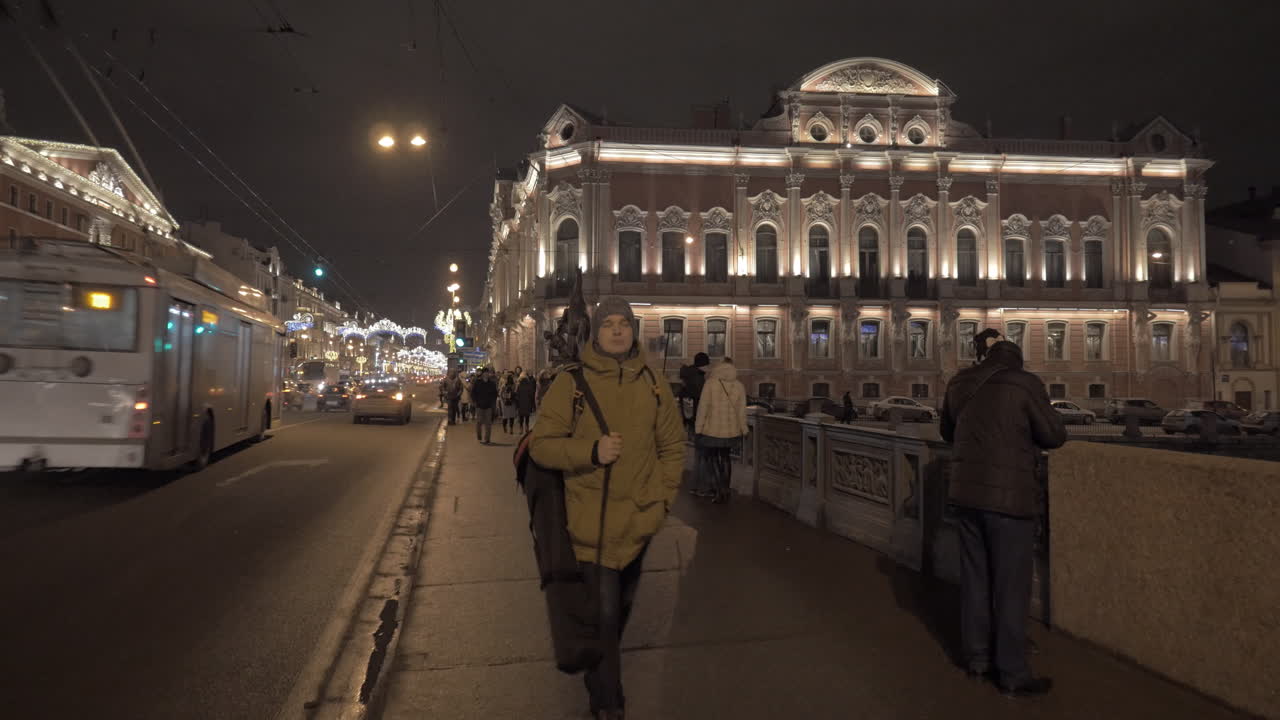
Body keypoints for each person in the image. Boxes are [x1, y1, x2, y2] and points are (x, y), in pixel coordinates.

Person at [529, 296, 685, 720]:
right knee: (604, 617)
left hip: (639, 524)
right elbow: (542, 446)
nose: (617, 330)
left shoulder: (653, 383)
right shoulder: (571, 384)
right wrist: (591, 452)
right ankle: (608, 704)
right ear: (594, 333)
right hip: (589, 525)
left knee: (616, 619)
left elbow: (673, 448)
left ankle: (599, 675)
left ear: (633, 330)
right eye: (608, 324)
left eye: (624, 324)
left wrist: (660, 502)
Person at [940, 333, 1067, 698]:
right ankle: (1012, 672)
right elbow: (1054, 434)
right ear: (1017, 360)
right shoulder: (1024, 383)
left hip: (965, 495)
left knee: (976, 579)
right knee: (1011, 587)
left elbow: (946, 431)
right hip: (1010, 502)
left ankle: (977, 660)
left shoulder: (961, 381)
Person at [694, 357, 748, 503]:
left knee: (713, 459)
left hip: (712, 430)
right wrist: (744, 429)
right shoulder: (739, 386)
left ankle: (718, 492)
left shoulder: (710, 384)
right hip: (731, 431)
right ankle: (726, 490)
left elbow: (703, 408)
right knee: (725, 458)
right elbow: (742, 411)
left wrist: (698, 428)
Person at [680, 352, 711, 495]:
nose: (708, 368)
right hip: (701, 421)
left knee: (698, 455)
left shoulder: (688, 378)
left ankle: (694, 486)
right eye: (707, 365)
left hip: (690, 420)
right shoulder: (698, 380)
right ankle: (703, 487)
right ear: (702, 365)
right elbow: (704, 401)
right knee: (703, 456)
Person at [471, 368, 499, 444]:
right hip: (479, 405)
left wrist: (492, 402)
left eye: (488, 373)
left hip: (488, 406)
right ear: (482, 374)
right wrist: (475, 401)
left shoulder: (492, 383)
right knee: (479, 422)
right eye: (485, 373)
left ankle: (487, 439)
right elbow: (473, 393)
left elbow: (495, 394)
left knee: (488, 423)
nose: (486, 374)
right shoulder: (478, 382)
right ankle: (479, 435)